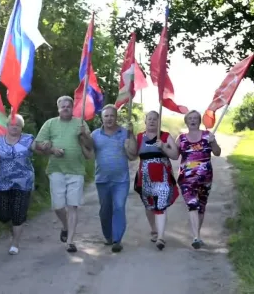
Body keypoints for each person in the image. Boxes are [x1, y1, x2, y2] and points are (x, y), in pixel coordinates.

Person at [34, 95, 93, 253]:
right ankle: (65, 226)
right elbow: (37, 145)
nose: (65, 108)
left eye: (68, 106)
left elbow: (90, 146)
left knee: (73, 206)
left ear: (72, 108)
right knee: (58, 206)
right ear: (58, 108)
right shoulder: (50, 124)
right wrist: (51, 149)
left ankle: (70, 241)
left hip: (76, 171)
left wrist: (84, 135)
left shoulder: (80, 123)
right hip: (56, 170)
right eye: (63, 106)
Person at [0, 114, 43, 255]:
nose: (14, 127)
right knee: (3, 214)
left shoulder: (28, 139)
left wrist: (43, 147)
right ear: (7, 126)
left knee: (18, 213)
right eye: (12, 124)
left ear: (21, 127)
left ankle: (15, 242)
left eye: (18, 125)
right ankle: (12, 231)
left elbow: (37, 148)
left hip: (23, 182)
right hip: (3, 182)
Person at [91, 105, 137, 252]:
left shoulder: (125, 133)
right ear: (102, 118)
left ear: (116, 117)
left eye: (112, 115)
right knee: (105, 210)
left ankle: (117, 239)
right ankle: (108, 236)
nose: (109, 118)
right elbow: (88, 153)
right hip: (102, 179)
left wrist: (132, 136)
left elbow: (133, 155)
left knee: (119, 207)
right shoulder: (95, 135)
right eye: (106, 116)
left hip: (121, 180)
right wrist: (82, 137)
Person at [133, 111, 180, 250]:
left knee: (161, 204)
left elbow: (176, 155)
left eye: (155, 119)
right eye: (150, 119)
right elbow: (133, 153)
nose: (152, 121)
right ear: (145, 121)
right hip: (145, 176)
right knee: (149, 205)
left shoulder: (165, 136)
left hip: (163, 176)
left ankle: (161, 237)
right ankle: (154, 230)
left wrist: (164, 147)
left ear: (159, 121)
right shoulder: (140, 136)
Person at [176, 110, 221, 250]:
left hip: (205, 178)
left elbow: (218, 152)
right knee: (192, 204)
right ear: (186, 121)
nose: (193, 120)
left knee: (201, 207)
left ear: (200, 120)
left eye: (196, 118)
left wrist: (213, 142)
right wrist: (163, 146)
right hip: (186, 179)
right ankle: (196, 237)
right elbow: (173, 155)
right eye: (190, 118)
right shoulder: (181, 138)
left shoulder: (208, 135)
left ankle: (197, 235)